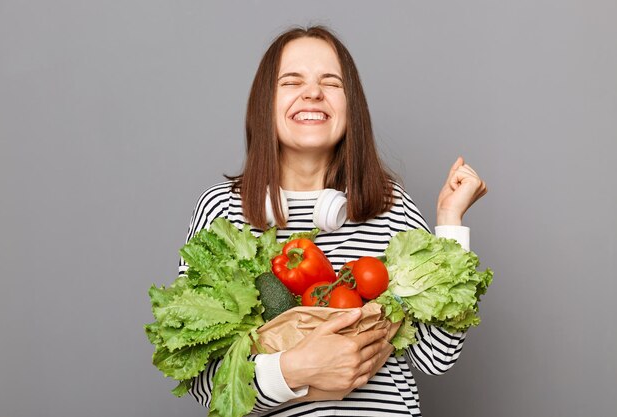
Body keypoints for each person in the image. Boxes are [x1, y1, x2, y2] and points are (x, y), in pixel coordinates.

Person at [179, 26, 487, 416]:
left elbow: (436, 357)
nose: (312, 92)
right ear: (264, 103)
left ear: (350, 106)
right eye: (292, 81)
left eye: (331, 82)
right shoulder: (221, 210)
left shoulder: (392, 207)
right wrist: (299, 371)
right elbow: (210, 387)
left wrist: (450, 222)